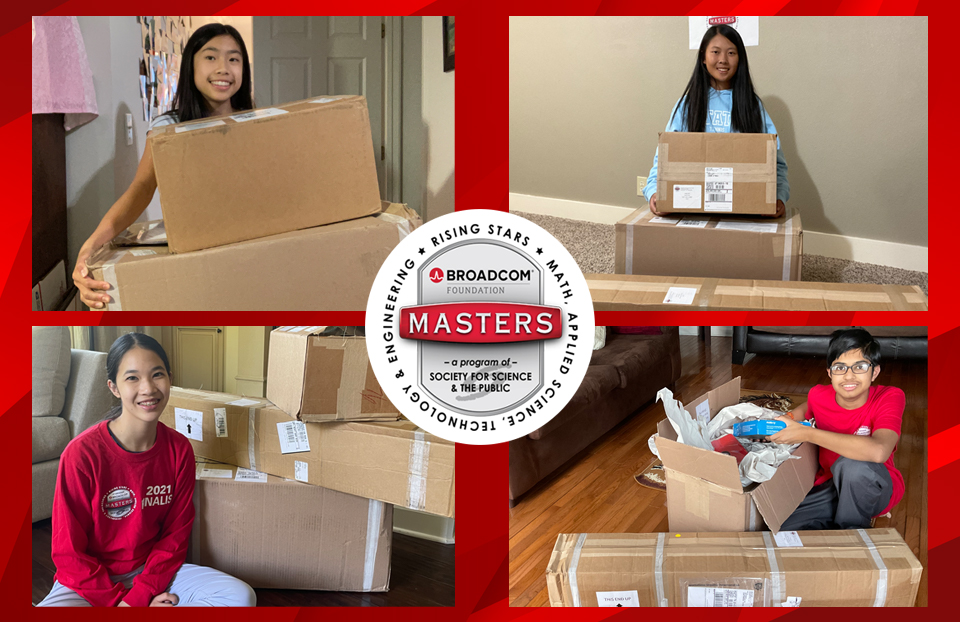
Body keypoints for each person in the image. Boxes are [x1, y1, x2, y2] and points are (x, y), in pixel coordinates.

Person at [36, 333, 256, 607]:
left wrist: (140, 594)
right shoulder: (82, 454)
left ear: (170, 378)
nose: (148, 388)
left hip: (151, 573)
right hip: (88, 582)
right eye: (132, 378)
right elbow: (68, 553)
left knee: (239, 597)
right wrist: (122, 605)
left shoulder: (179, 449)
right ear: (113, 387)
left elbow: (175, 535)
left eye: (157, 374)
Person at [72, 23, 254, 309]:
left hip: (251, 250)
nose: (223, 68)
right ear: (191, 66)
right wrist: (90, 247)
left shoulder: (258, 123)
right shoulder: (167, 127)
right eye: (210, 57)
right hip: (193, 256)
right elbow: (141, 189)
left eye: (234, 59)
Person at [642, 24, 789, 218]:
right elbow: (664, 155)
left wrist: (777, 197)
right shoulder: (688, 104)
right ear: (703, 57)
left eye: (731, 53)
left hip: (743, 205)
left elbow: (775, 160)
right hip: (692, 204)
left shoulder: (751, 105)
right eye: (715, 52)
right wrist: (654, 191)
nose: (723, 60)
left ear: (740, 59)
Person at [770, 328, 905, 530]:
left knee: (851, 466)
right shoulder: (818, 395)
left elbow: (879, 451)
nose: (849, 376)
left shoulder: (889, 396)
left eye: (859, 367)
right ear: (830, 373)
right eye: (840, 367)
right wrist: (781, 422)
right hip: (830, 487)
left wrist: (808, 433)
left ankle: (853, 533)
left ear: (874, 372)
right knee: (783, 529)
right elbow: (801, 411)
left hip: (872, 486)